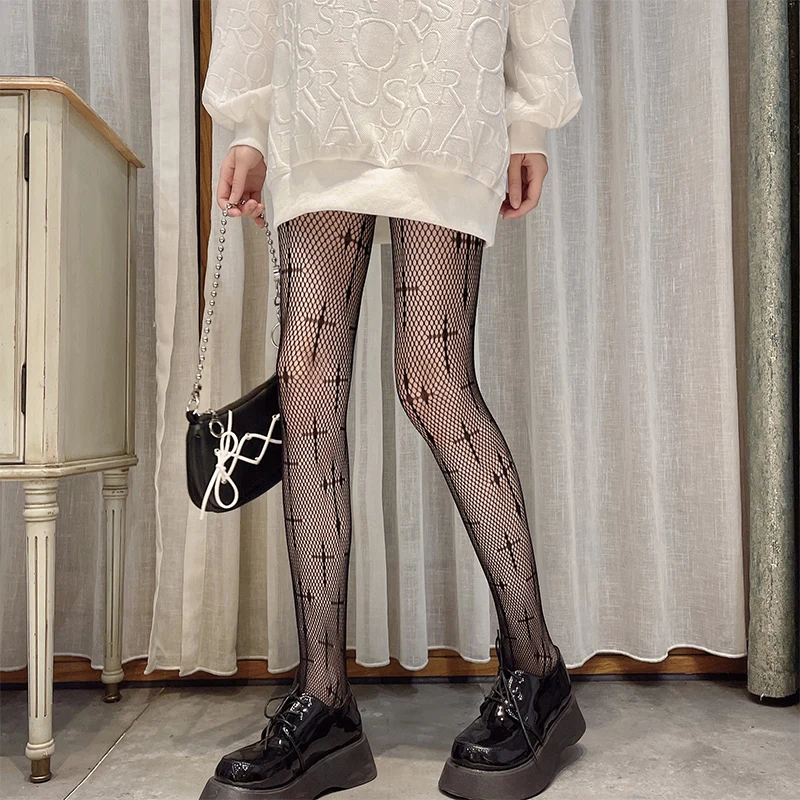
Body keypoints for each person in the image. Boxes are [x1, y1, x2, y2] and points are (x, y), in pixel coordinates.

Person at [199, 2, 585, 799]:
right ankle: (323, 699)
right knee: (305, 384)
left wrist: (528, 119)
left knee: (431, 379)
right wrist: (251, 123)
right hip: (318, 75)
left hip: (446, 68)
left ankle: (538, 668)